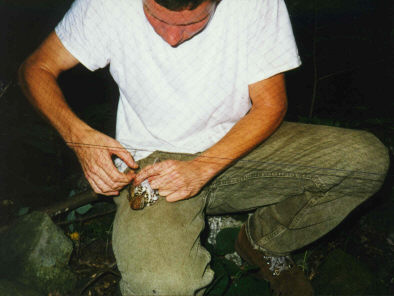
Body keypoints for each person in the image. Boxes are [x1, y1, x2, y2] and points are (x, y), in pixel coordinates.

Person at [19, 0, 389, 295]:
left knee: (366, 160)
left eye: (192, 23)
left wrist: (203, 167)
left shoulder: (254, 4)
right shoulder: (106, 4)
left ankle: (263, 242)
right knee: (161, 285)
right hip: (152, 162)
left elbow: (270, 103)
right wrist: (79, 138)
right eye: (156, 18)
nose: (172, 38)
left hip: (239, 146)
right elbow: (36, 68)